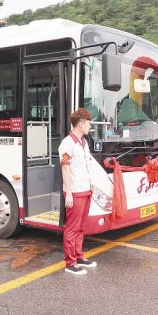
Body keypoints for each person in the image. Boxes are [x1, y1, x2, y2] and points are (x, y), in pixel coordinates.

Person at [58, 108, 97, 275]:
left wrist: (91, 185)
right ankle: (70, 263)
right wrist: (69, 193)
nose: (90, 126)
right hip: (75, 192)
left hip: (86, 190)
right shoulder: (67, 143)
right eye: (88, 123)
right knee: (72, 228)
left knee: (81, 227)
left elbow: (87, 166)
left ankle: (79, 256)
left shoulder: (83, 142)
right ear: (80, 123)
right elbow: (65, 169)